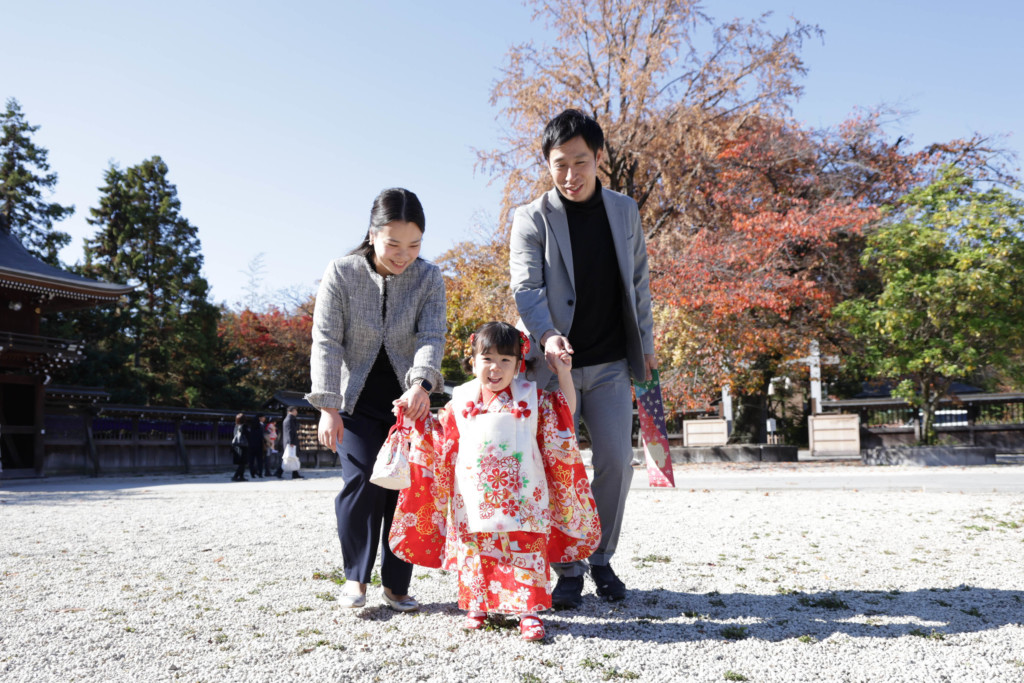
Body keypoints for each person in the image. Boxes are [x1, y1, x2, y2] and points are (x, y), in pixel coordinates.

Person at [509, 108, 657, 608]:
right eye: (558, 165)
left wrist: (648, 343)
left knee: (617, 462)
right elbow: (526, 288)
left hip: (613, 362)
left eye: (579, 162)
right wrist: (547, 335)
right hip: (556, 369)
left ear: (598, 159)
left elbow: (638, 283)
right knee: (558, 467)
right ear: (547, 164)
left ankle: (601, 558)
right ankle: (566, 567)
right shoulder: (531, 218)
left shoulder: (625, 210)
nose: (570, 175)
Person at [389, 322, 599, 640]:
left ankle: (528, 612)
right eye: (487, 359)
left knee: (524, 548)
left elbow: (564, 413)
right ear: (473, 361)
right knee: (476, 548)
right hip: (473, 493)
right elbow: (438, 433)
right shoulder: (459, 399)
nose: (495, 368)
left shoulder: (532, 397)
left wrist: (563, 373)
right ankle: (478, 605)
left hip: (524, 492)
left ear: (518, 364)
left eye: (505, 360)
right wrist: (414, 412)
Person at [306, 187, 446, 612]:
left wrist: (421, 384)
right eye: (393, 244)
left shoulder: (429, 277)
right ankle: (355, 579)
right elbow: (326, 341)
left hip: (408, 401)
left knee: (405, 488)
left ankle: (396, 586)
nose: (404, 254)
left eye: (414, 244)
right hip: (355, 401)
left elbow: (431, 335)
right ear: (372, 234)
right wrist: (328, 407)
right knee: (362, 480)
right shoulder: (342, 272)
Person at [275, 406, 304, 479]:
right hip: (291, 442)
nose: (296, 412)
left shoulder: (289, 419)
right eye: (295, 410)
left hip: (291, 441)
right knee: (289, 458)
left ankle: (295, 473)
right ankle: (279, 472)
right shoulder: (289, 419)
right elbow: (289, 432)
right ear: (291, 411)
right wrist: (291, 442)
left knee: (293, 458)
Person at [246, 414, 266, 479]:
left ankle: (252, 473)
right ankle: (260, 473)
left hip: (251, 446)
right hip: (259, 446)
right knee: (260, 460)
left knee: (251, 461)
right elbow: (262, 437)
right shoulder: (260, 427)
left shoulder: (250, 428)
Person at [230, 413, 248, 482]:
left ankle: (241, 476)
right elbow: (247, 435)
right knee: (243, 463)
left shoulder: (236, 426)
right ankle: (236, 476)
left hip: (236, 446)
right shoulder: (244, 427)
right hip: (243, 446)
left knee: (241, 462)